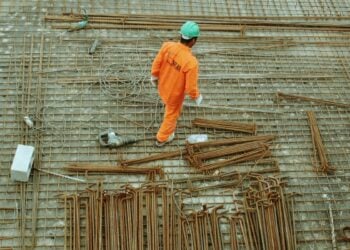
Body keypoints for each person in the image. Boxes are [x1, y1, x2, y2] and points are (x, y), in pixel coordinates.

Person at [151, 21, 203, 147]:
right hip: (173, 95)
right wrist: (196, 97)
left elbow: (157, 62)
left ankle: (163, 134)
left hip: (162, 85)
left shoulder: (167, 46)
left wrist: (154, 76)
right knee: (172, 114)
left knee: (168, 106)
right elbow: (190, 87)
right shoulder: (191, 62)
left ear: (181, 35)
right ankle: (162, 138)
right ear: (193, 41)